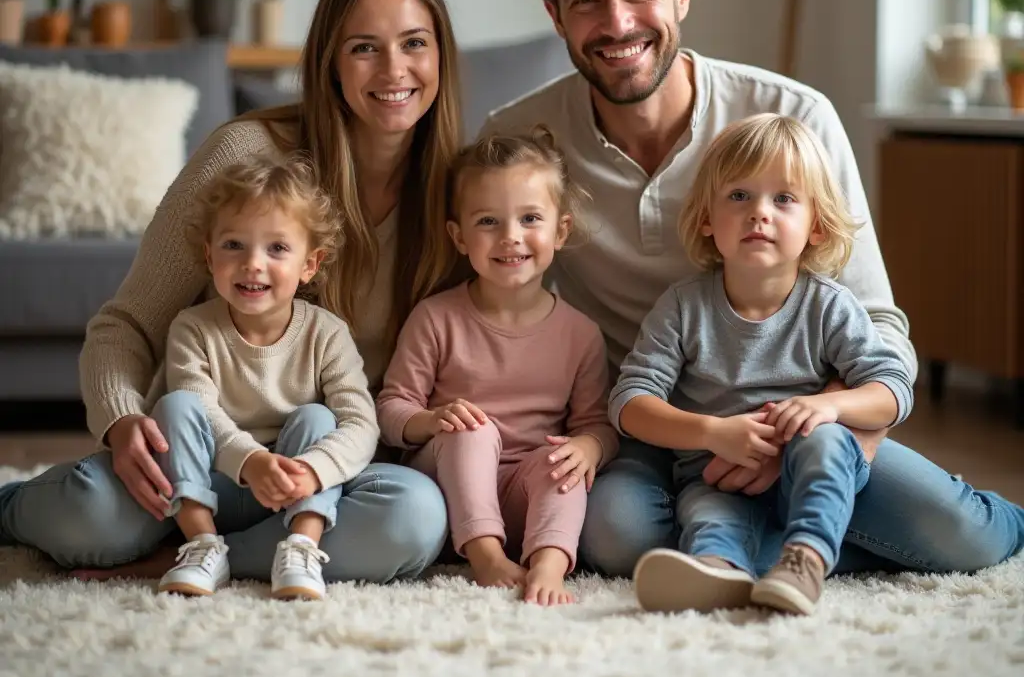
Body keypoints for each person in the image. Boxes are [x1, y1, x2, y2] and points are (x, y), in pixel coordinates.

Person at [482, 0, 1024, 578]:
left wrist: (803, 432)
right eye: (586, 1)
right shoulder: (521, 137)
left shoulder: (794, 117)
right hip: (647, 426)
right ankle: (774, 543)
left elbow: (879, 329)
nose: (616, 24)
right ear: (557, 17)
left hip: (800, 418)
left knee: (963, 540)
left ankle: (779, 536)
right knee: (612, 539)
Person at [0, 0, 461, 585]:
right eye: (363, 47)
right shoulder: (247, 158)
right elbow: (125, 324)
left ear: (442, 56)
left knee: (414, 518)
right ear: (328, 60)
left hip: (319, 476)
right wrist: (122, 420)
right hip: (197, 459)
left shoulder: (459, 195)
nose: (394, 69)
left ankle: (189, 558)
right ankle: (15, 508)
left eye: (414, 42)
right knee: (92, 518)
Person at [615, 114, 913, 616]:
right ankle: (719, 573)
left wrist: (829, 406)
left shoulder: (830, 306)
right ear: (707, 218)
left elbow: (892, 390)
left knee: (823, 442)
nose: (759, 213)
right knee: (709, 520)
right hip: (714, 476)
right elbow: (629, 403)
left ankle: (807, 559)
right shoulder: (683, 307)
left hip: (807, 470)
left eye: (784, 199)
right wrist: (712, 432)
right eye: (738, 196)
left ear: (815, 226)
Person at [376, 128, 619, 605]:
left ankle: (548, 565)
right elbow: (390, 409)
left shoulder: (580, 333)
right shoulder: (436, 317)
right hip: (447, 494)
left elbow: (598, 425)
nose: (511, 237)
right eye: (488, 221)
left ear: (560, 231)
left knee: (562, 458)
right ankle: (487, 558)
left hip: (523, 495)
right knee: (474, 429)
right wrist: (430, 420)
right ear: (459, 236)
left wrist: (590, 446)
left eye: (530, 218)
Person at [155, 155, 380, 600]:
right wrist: (251, 461)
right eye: (234, 245)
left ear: (309, 264)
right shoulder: (193, 327)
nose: (253, 264)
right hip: (215, 476)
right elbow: (200, 412)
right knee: (176, 405)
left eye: (277, 248)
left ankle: (301, 546)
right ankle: (202, 546)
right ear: (209, 254)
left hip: (294, 483)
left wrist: (311, 472)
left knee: (319, 417)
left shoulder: (326, 332)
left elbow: (362, 423)